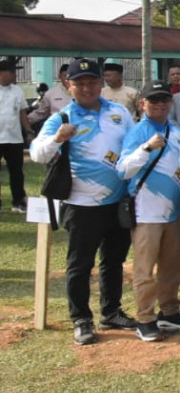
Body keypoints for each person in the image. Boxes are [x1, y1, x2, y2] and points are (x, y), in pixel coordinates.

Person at [30, 57, 135, 345]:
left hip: (117, 201)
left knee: (113, 261)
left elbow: (132, 146)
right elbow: (38, 153)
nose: (87, 88)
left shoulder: (119, 113)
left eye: (92, 82)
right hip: (81, 204)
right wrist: (57, 140)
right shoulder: (62, 118)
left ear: (102, 83)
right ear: (69, 85)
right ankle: (81, 319)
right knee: (80, 264)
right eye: (80, 83)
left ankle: (111, 311)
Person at [116, 80, 180, 342]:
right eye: (154, 100)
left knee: (173, 266)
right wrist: (147, 148)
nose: (160, 105)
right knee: (145, 269)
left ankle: (170, 311)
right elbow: (123, 169)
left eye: (164, 100)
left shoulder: (177, 131)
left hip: (173, 211)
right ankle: (146, 318)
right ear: (143, 104)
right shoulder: (138, 133)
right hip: (146, 212)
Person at [0, 58, 34, 214]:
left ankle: (19, 201)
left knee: (17, 172)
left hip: (14, 138)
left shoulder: (17, 90)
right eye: (12, 72)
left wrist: (28, 132)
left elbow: (22, 113)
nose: (15, 76)